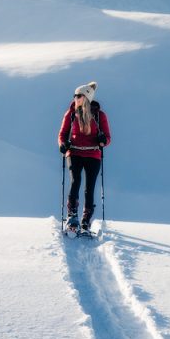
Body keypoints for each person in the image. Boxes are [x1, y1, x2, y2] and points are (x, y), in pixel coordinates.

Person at [58, 81, 111, 232]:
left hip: (93, 153)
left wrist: (103, 141)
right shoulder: (71, 113)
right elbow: (62, 134)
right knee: (75, 180)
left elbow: (108, 137)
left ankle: (86, 218)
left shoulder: (99, 116)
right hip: (74, 152)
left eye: (78, 95)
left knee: (89, 187)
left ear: (86, 97)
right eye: (75, 95)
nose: (75, 98)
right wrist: (63, 144)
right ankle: (72, 215)